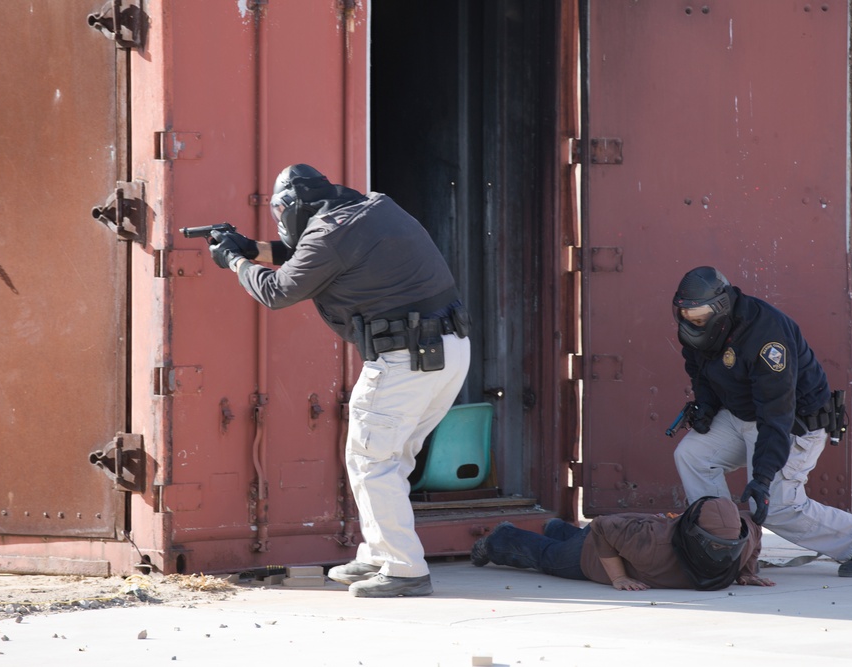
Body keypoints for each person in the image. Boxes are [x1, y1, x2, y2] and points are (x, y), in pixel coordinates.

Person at [207, 163, 471, 597]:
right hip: (446, 352)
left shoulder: (329, 234)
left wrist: (235, 260)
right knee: (390, 459)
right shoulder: (371, 209)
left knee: (372, 460)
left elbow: (279, 291)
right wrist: (252, 247)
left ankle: (404, 570)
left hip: (403, 357)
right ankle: (379, 553)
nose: (279, 219)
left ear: (295, 206)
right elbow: (313, 257)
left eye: (280, 211)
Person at [670, 266, 852, 577]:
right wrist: (705, 407)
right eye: (685, 313)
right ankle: (721, 543)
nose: (691, 320)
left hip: (791, 423)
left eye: (699, 315)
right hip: (743, 416)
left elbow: (776, 411)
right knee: (692, 456)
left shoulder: (767, 335)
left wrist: (762, 478)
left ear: (721, 306)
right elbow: (702, 373)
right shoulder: (699, 332)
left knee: (773, 505)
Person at [469, 496, 774, 590]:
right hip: (596, 551)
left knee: (570, 539)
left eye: (729, 546)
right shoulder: (653, 544)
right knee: (549, 558)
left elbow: (755, 530)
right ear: (692, 536)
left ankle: (556, 527)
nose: (722, 553)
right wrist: (618, 577)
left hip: (625, 536)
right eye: (713, 544)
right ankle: (500, 538)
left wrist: (746, 569)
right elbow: (602, 527)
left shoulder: (742, 539)